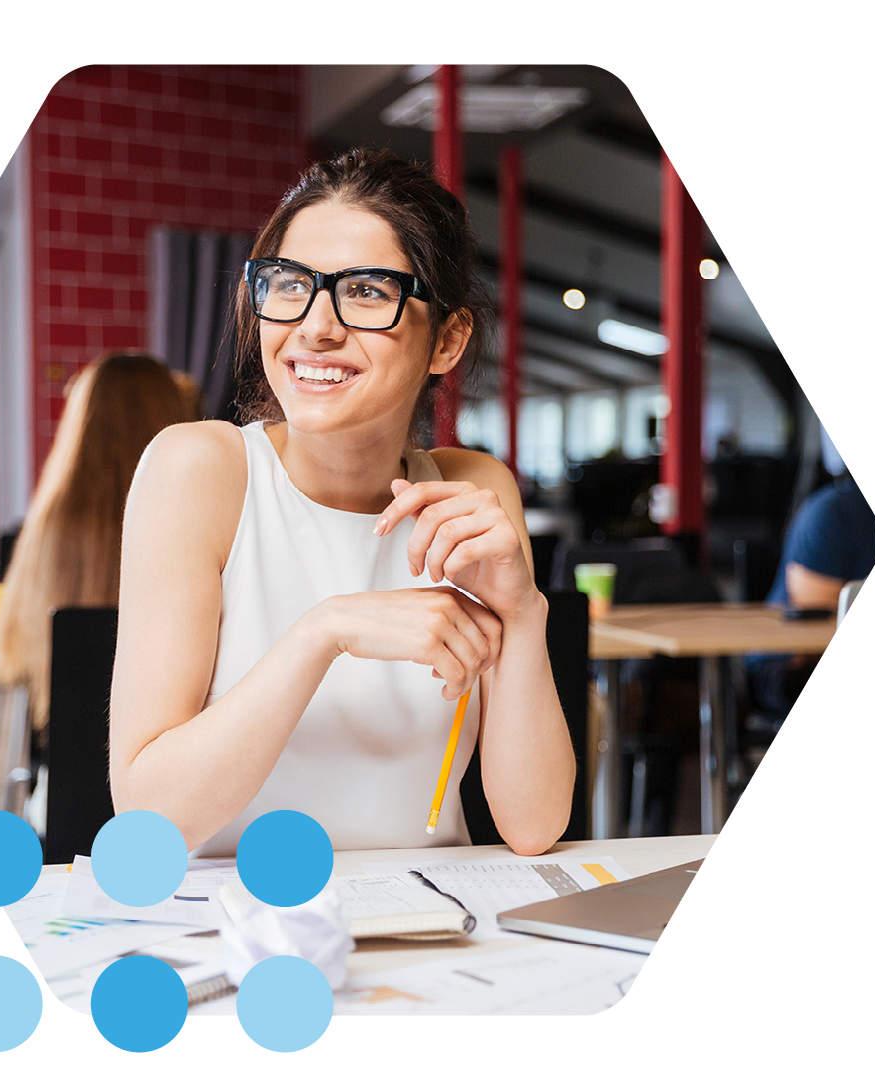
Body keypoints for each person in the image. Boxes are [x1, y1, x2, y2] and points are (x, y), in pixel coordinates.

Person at [109, 148, 576, 858]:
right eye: (289, 284)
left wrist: (523, 612)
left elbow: (534, 825)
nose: (315, 326)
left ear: (447, 340)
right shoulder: (200, 471)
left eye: (364, 291)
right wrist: (323, 632)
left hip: (433, 925)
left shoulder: (473, 491)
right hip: (232, 931)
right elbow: (145, 825)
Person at [0, 352, 199, 743]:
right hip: (176, 768)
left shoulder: (47, 526)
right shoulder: (200, 520)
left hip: (60, 779)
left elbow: (11, 657)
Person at [748, 476, 875, 720]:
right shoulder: (836, 513)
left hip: (864, 657)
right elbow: (815, 638)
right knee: (826, 680)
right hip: (791, 660)